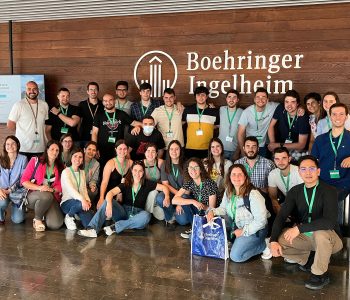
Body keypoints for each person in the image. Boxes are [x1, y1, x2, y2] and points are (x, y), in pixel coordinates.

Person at [270, 155, 343, 290]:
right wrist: (273, 240)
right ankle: (310, 259)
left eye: (311, 168)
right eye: (303, 169)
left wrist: (299, 228)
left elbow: (329, 222)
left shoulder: (329, 191)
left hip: (331, 239)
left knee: (320, 234)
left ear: (318, 171)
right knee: (279, 241)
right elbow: (281, 217)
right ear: (299, 172)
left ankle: (320, 274)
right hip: (308, 237)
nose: (308, 173)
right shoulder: (295, 191)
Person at [77, 161, 170, 237]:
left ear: (143, 172)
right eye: (135, 170)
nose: (137, 173)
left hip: (138, 215)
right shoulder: (126, 183)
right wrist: (109, 204)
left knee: (146, 216)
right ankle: (92, 229)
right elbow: (110, 193)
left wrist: (167, 197)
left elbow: (164, 187)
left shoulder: (147, 183)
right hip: (124, 212)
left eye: (140, 171)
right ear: (132, 171)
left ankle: (115, 227)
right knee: (107, 201)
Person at [206, 164, 271, 262]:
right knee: (211, 232)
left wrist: (243, 231)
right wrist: (212, 211)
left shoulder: (253, 194)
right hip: (237, 225)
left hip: (256, 230)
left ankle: (264, 244)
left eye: (240, 174)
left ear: (245, 176)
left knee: (236, 256)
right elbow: (223, 209)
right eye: (233, 174)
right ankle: (237, 242)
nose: (236, 177)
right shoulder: (229, 190)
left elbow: (261, 221)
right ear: (229, 177)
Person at [312, 103, 350, 225]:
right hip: (322, 182)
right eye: (334, 114)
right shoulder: (320, 139)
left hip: (343, 184)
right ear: (329, 116)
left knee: (331, 197)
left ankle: (335, 233)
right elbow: (313, 162)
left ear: (346, 117)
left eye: (341, 114)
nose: (337, 117)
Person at [21, 140, 64, 231]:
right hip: (33, 196)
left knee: (55, 225)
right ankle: (37, 219)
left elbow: (61, 186)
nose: (54, 152)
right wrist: (40, 187)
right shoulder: (35, 161)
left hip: (52, 196)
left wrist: (52, 190)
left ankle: (43, 212)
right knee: (46, 195)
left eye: (57, 150)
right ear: (47, 150)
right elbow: (24, 181)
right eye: (52, 149)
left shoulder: (61, 166)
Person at [92, 93, 141, 169]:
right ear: (103, 103)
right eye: (105, 101)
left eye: (110, 100)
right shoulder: (99, 115)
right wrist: (95, 148)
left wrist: (146, 125)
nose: (108, 102)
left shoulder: (121, 114)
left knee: (118, 170)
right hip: (102, 149)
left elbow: (134, 123)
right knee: (103, 170)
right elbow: (94, 133)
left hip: (118, 150)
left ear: (114, 101)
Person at [172, 157, 218, 238]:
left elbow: (212, 208)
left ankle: (197, 228)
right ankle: (194, 227)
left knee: (185, 198)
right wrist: (193, 202)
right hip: (199, 209)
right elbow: (174, 200)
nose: (193, 170)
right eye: (190, 168)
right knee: (184, 197)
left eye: (196, 167)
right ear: (188, 170)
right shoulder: (190, 182)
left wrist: (200, 205)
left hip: (210, 213)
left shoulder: (209, 183)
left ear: (201, 170)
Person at [7, 81, 49, 160]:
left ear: (38, 90)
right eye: (29, 89)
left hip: (40, 148)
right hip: (23, 148)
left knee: (39, 172)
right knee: (25, 172)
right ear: (25, 90)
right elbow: (10, 124)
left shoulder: (44, 105)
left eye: (34, 89)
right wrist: (24, 132)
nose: (32, 91)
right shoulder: (19, 105)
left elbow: (45, 125)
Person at [268, 90, 310, 160]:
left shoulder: (303, 117)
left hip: (297, 151)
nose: (289, 105)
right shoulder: (280, 108)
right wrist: (273, 144)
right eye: (287, 102)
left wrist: (278, 145)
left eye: (293, 102)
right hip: (281, 149)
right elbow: (271, 126)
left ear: (297, 103)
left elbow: (301, 145)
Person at [237, 87, 279, 158]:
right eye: (258, 97)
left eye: (263, 97)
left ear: (267, 100)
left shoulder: (272, 106)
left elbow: (286, 104)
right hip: (250, 146)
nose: (260, 100)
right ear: (254, 99)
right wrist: (243, 151)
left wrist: (300, 107)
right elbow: (240, 134)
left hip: (263, 146)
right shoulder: (247, 112)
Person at [182, 86, 220, 159]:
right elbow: (181, 123)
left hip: (208, 148)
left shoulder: (214, 111)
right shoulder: (188, 110)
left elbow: (217, 126)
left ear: (207, 96)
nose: (200, 97)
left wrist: (207, 127)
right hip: (190, 147)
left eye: (203, 95)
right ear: (195, 97)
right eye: (198, 95)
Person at [60, 148, 94, 230]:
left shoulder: (82, 172)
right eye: (75, 156)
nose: (77, 159)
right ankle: (69, 216)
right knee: (79, 204)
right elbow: (70, 189)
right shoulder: (66, 172)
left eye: (80, 157)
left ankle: (77, 214)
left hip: (81, 202)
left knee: (90, 225)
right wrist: (83, 200)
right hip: (67, 203)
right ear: (71, 158)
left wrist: (87, 200)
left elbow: (84, 189)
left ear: (82, 159)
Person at [97, 139, 133, 209]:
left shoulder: (130, 163)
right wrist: (101, 198)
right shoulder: (110, 163)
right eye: (120, 149)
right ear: (116, 149)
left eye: (125, 149)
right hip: (111, 194)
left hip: (125, 195)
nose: (122, 151)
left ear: (128, 150)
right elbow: (104, 182)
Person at [155, 140, 185, 224]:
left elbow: (188, 187)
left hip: (185, 194)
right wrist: (172, 197)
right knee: (160, 198)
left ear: (180, 150)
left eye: (177, 149)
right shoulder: (165, 164)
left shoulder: (186, 164)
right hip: (171, 192)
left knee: (182, 221)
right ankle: (170, 215)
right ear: (168, 151)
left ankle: (177, 214)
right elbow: (165, 184)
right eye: (171, 149)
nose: (174, 152)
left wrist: (180, 201)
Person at [0, 136, 28, 225]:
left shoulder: (23, 159)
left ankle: (18, 208)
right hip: (2, 190)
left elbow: (23, 179)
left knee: (18, 220)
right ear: (5, 146)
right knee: (2, 203)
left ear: (18, 145)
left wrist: (10, 190)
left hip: (17, 192)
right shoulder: (0, 159)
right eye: (7, 144)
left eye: (13, 143)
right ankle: (1, 215)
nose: (10, 146)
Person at [268, 147, 303, 214]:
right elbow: (273, 199)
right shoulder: (272, 174)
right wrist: (282, 217)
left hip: (303, 203)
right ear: (274, 160)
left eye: (284, 158)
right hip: (289, 203)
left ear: (289, 159)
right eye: (277, 159)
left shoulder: (299, 171)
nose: (280, 162)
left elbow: (304, 198)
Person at [218, 89, 243, 160]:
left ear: (237, 100)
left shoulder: (242, 112)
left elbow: (243, 133)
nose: (231, 99)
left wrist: (238, 151)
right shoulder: (221, 109)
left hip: (235, 150)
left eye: (234, 97)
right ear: (226, 99)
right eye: (229, 97)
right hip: (221, 149)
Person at [143, 143, 165, 220]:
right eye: (148, 151)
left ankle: (152, 209)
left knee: (162, 217)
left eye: (153, 151)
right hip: (144, 193)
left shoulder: (160, 162)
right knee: (153, 192)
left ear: (156, 153)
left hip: (158, 192)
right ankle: (146, 215)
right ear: (145, 153)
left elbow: (165, 180)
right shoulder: (141, 164)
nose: (150, 154)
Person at [78, 82, 104, 146]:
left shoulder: (103, 104)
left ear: (98, 91)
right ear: (87, 91)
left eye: (95, 89)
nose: (93, 91)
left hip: (99, 135)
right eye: (91, 89)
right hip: (84, 135)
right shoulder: (82, 104)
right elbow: (78, 121)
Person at [83, 141, 100, 208]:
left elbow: (94, 178)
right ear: (84, 150)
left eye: (94, 150)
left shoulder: (96, 164)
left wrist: (92, 185)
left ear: (96, 152)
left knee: (94, 191)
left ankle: (89, 205)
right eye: (89, 149)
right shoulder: (79, 158)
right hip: (77, 183)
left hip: (87, 184)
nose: (91, 152)